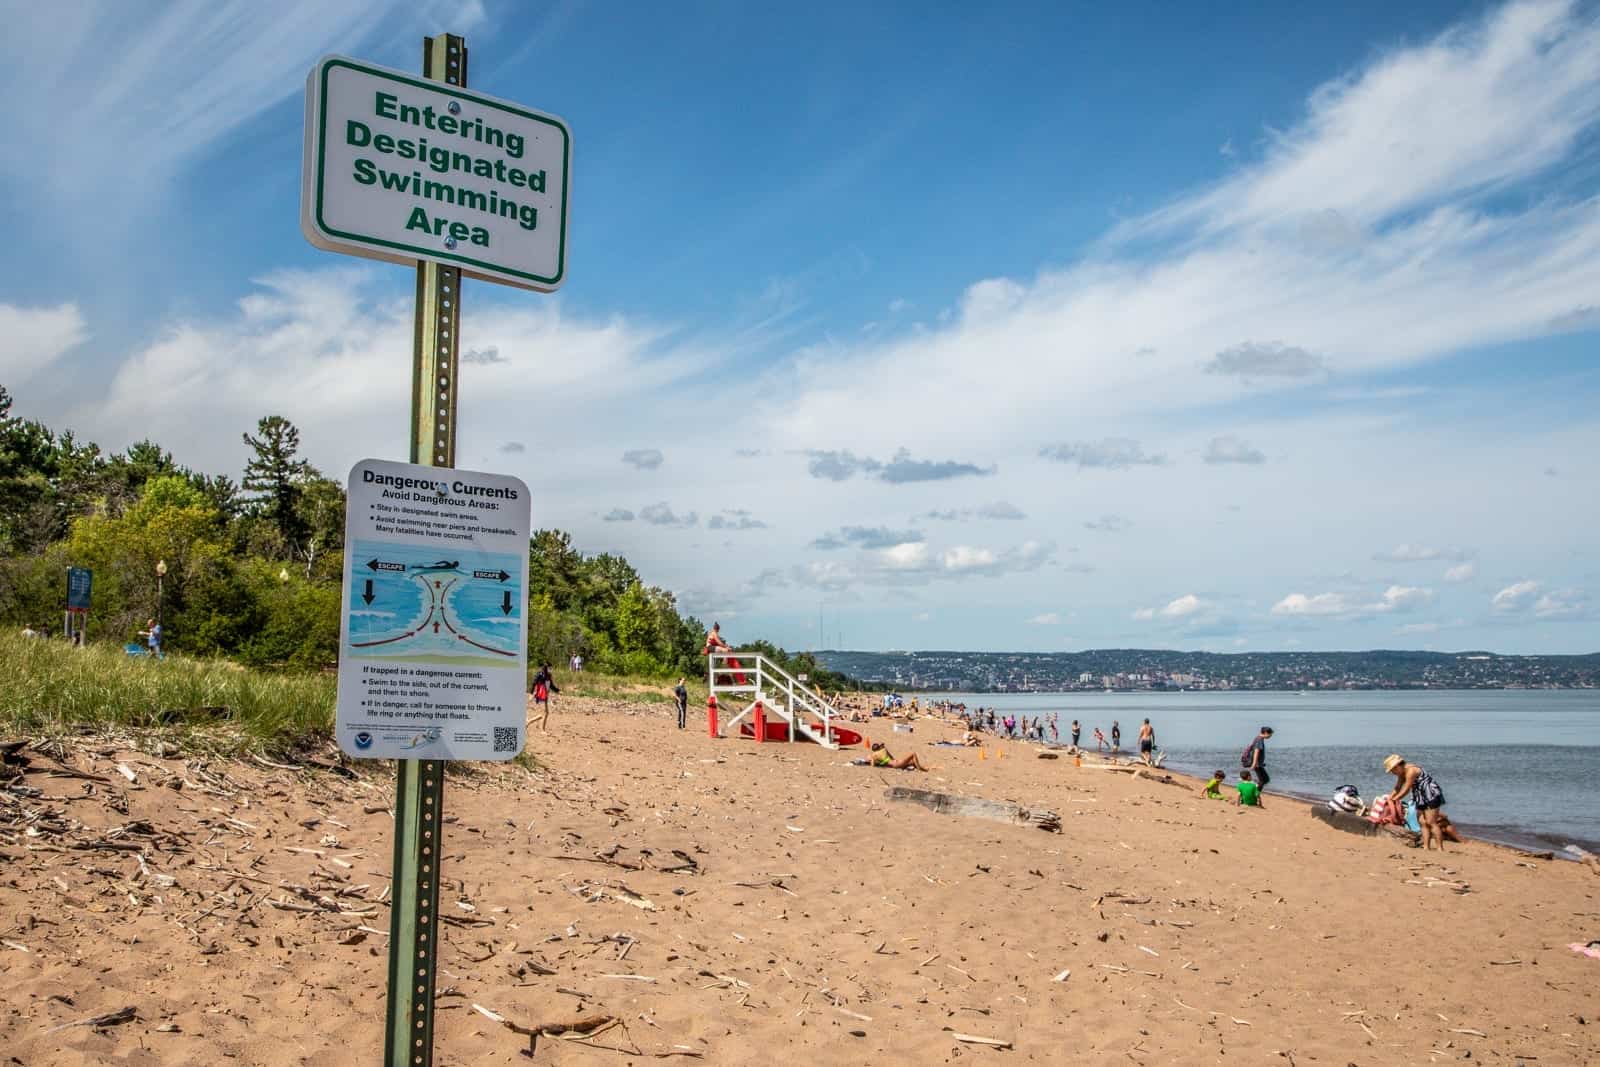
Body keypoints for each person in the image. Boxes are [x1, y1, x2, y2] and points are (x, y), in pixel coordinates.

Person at [1383, 754, 1449, 851]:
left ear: (1397, 766)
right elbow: (1398, 787)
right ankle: (1426, 847)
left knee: (1431, 822)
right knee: (1422, 822)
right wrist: (1390, 797)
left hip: (1431, 795)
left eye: (1392, 770)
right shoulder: (1402, 773)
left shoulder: (1411, 771)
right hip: (1420, 797)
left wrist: (1395, 799)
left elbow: (1406, 789)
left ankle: (1440, 848)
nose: (1393, 773)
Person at [1242, 726, 1274, 792]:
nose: (1270, 736)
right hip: (1257, 764)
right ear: (1265, 733)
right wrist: (1254, 763)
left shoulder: (1258, 738)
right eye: (1270, 735)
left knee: (1264, 780)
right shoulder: (1259, 739)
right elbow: (1256, 751)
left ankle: (1254, 790)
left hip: (1259, 764)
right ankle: (1254, 793)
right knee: (1264, 780)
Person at [530, 663, 560, 731]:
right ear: (546, 668)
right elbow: (534, 683)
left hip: (545, 695)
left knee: (544, 713)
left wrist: (558, 691)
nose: (551, 669)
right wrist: (531, 693)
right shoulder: (540, 674)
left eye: (551, 668)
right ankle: (542, 730)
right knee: (545, 713)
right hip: (540, 695)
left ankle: (528, 722)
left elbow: (551, 685)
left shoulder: (549, 676)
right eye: (550, 668)